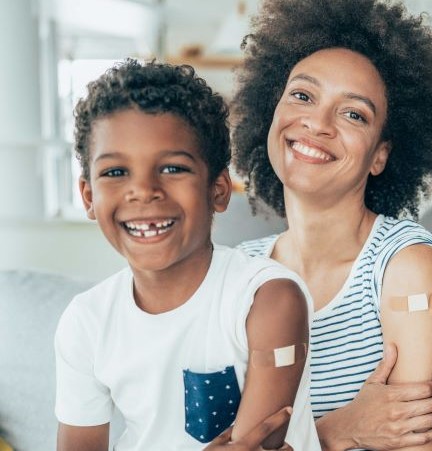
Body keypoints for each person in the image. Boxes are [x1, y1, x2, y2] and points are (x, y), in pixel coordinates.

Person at [54, 59, 320, 450]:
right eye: (115, 173)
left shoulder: (271, 299)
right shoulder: (86, 321)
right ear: (89, 197)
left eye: (173, 168)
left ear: (218, 190)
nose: (143, 191)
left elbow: (259, 442)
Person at [231, 0, 432, 449]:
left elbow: (415, 444)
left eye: (353, 113)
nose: (317, 122)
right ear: (270, 112)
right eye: (302, 95)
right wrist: (343, 429)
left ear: (380, 155)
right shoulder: (240, 270)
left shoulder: (406, 264)